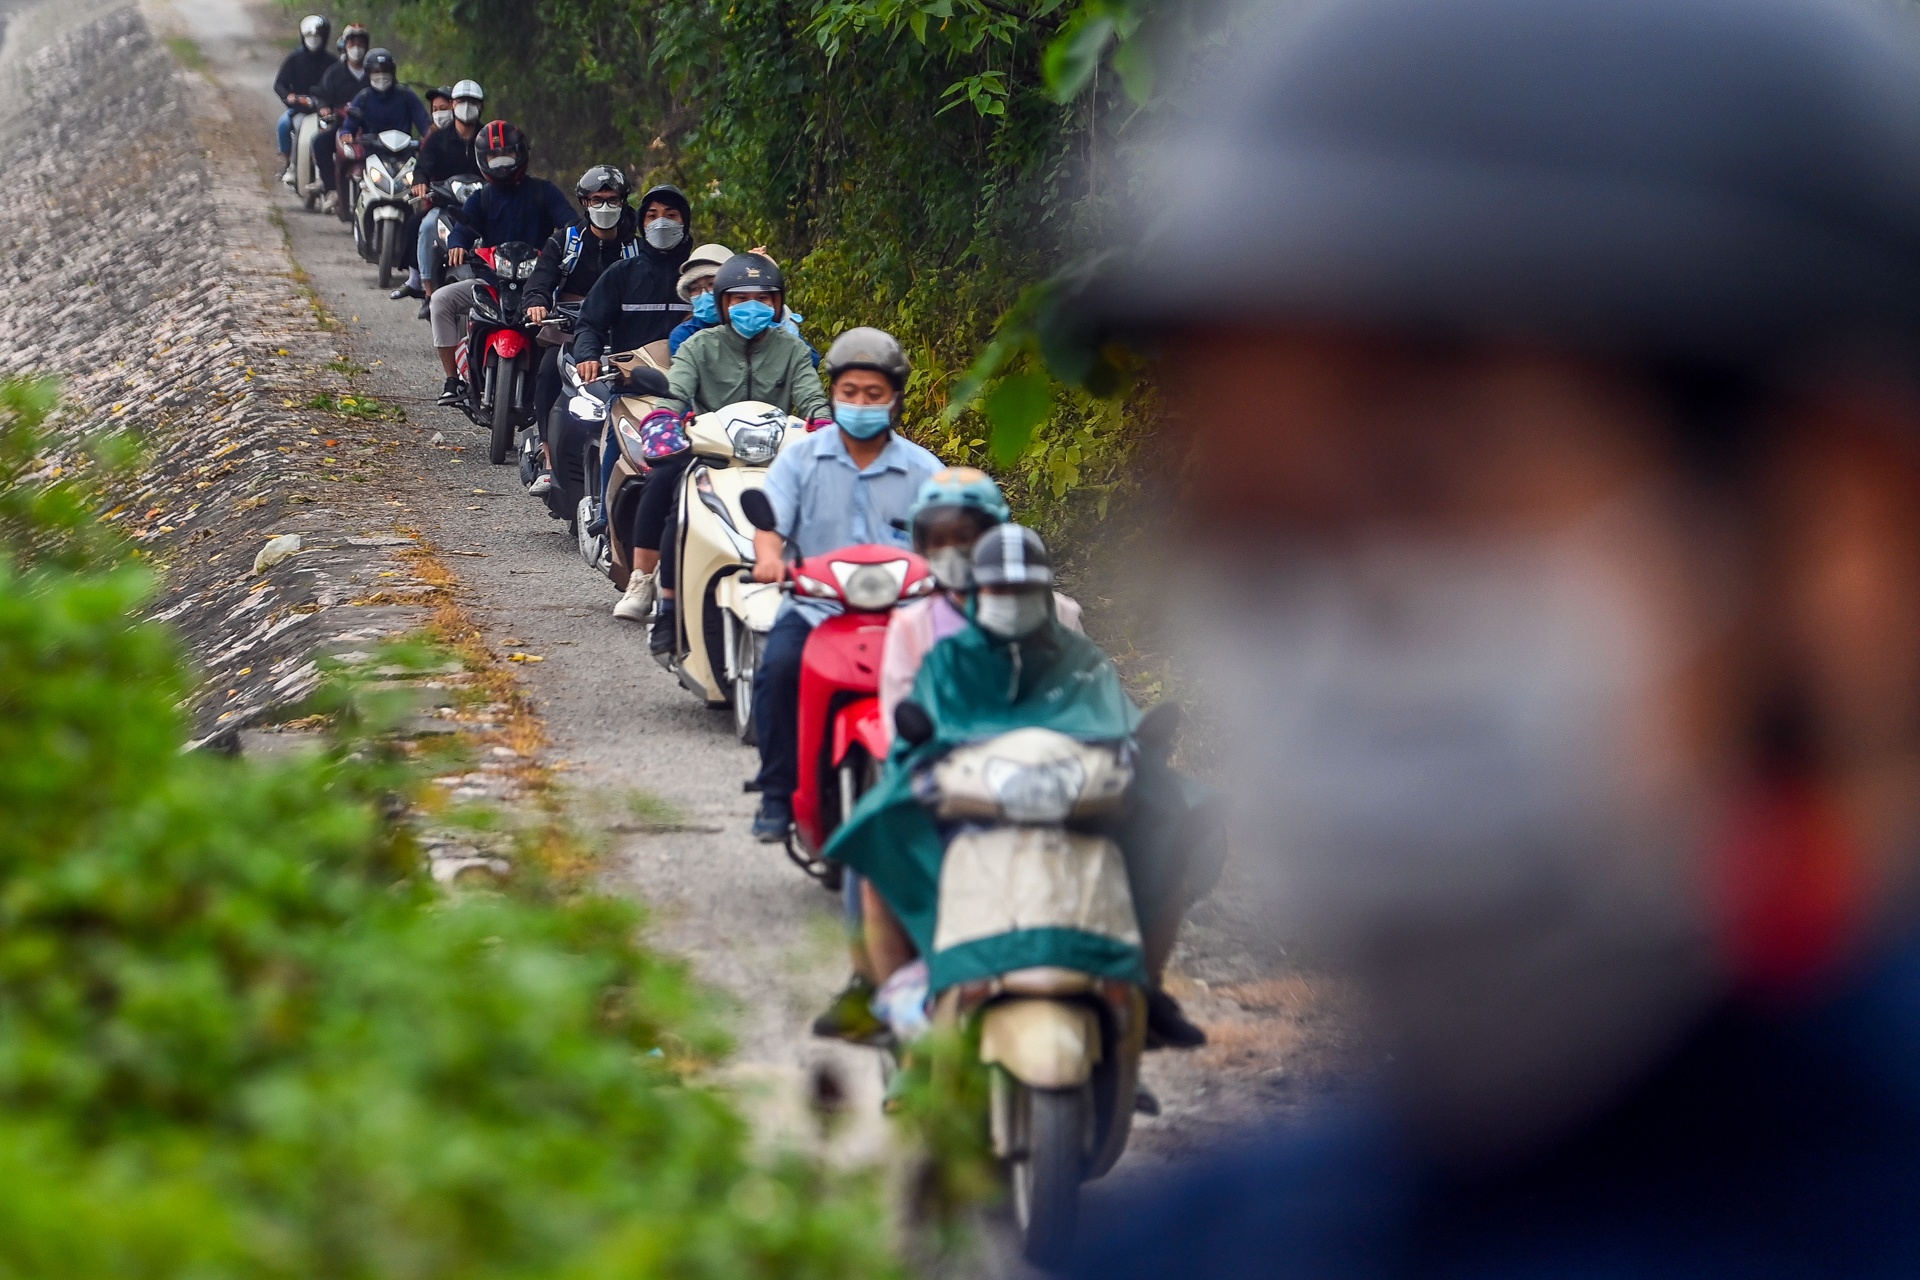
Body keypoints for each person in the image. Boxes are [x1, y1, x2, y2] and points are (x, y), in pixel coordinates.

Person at [1049, 0, 1920, 1274]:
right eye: (1253, 522)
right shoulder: (1214, 1242)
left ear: (1842, 522)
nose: (1319, 634)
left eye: (1419, 476)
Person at [809, 467, 1094, 1044]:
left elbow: (1086, 698)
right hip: (951, 779)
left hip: (1047, 780)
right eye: (935, 539)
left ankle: (1120, 1005)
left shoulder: (1060, 614)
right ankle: (874, 987)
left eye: (963, 536)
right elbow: (899, 714)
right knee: (872, 842)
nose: (950, 551)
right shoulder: (915, 622)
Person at [747, 326, 937, 841]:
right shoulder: (800, 459)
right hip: (818, 608)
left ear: (895, 400)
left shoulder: (925, 471)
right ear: (832, 393)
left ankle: (948, 793)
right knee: (778, 672)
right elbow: (770, 526)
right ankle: (776, 793)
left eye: (873, 394)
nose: (859, 403)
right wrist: (770, 562)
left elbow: (952, 543)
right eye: (848, 392)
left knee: (955, 680)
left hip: (905, 616)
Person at [624, 252, 831, 647]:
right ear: (722, 304)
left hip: (777, 454)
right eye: (739, 299)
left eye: (763, 298)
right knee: (670, 493)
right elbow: (676, 394)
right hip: (710, 452)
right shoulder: (699, 346)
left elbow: (812, 398)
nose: (752, 306)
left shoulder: (792, 349)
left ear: (777, 304)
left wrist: (823, 424)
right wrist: (663, 423)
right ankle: (664, 605)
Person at [430, 121, 576, 406]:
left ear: (521, 154)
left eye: (507, 155)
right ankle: (452, 380)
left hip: (539, 288)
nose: (500, 164)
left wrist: (567, 244)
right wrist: (458, 243)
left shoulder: (544, 192)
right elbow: (464, 226)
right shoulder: (481, 196)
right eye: (492, 158)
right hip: (491, 283)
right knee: (439, 301)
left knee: (571, 321)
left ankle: (559, 386)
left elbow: (570, 225)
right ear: (481, 160)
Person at [521, 165, 643, 497]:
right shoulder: (565, 242)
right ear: (584, 203)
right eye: (597, 200)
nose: (605, 207)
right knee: (547, 373)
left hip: (624, 338)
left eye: (612, 200)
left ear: (623, 202)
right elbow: (540, 281)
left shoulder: (637, 249)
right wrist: (536, 302)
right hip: (570, 333)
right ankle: (548, 459)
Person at [407, 79, 485, 318]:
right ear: (453, 104)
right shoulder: (438, 139)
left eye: (473, 102)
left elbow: (504, 162)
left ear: (481, 106)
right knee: (427, 225)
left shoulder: (487, 137)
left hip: (483, 207)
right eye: (462, 101)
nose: (467, 106)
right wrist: (420, 182)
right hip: (445, 206)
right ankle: (428, 290)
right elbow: (422, 167)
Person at [311, 23, 370, 211]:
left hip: (371, 128)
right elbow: (322, 95)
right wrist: (325, 108)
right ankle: (332, 189)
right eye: (352, 43)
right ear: (345, 45)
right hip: (342, 126)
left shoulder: (374, 72)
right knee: (320, 143)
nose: (356, 48)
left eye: (360, 43)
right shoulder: (334, 73)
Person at [272, 15, 334, 184]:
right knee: (284, 125)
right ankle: (289, 164)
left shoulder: (332, 63)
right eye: (309, 37)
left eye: (317, 37)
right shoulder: (295, 59)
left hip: (325, 112)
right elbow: (279, 84)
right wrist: (288, 96)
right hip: (300, 109)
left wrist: (328, 104)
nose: (313, 40)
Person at [667, 242, 732, 354]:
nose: (704, 294)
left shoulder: (757, 326)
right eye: (694, 289)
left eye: (711, 284)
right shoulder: (684, 335)